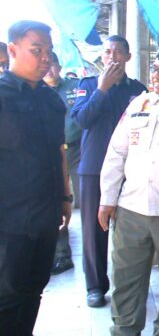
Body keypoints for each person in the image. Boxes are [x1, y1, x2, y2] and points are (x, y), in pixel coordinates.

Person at [97, 45, 159, 336]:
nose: (156, 74)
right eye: (155, 67)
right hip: (131, 209)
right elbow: (116, 153)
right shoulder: (139, 104)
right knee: (125, 280)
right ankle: (124, 330)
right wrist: (107, 200)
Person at [0, 20, 72, 334]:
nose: (45, 58)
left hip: (44, 215)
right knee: (6, 295)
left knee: (34, 289)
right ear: (13, 50)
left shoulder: (50, 99)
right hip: (8, 221)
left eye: (48, 51)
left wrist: (66, 197)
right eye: (36, 50)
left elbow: (60, 151)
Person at [72, 36, 147, 308]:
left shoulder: (138, 91)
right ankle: (95, 286)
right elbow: (82, 119)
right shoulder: (89, 85)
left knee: (131, 228)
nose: (112, 56)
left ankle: (129, 284)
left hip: (130, 169)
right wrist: (101, 90)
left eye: (118, 52)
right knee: (94, 229)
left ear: (127, 57)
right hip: (94, 167)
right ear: (101, 57)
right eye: (107, 52)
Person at [43, 52, 82, 275]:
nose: (49, 69)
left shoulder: (74, 86)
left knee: (83, 199)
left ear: (59, 66)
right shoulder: (36, 92)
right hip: (50, 153)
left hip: (77, 150)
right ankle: (60, 255)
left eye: (53, 64)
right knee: (56, 202)